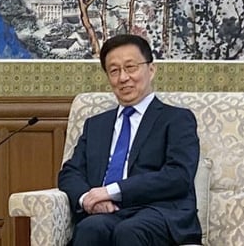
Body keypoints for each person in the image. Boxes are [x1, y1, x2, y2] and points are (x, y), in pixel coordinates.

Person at [57, 34, 201, 245]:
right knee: (90, 228)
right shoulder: (96, 124)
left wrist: (111, 191)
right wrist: (89, 200)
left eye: (130, 67)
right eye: (114, 71)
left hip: (160, 211)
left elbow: (179, 175)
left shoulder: (177, 119)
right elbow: (70, 172)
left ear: (151, 70)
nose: (123, 78)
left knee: (130, 231)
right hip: (107, 212)